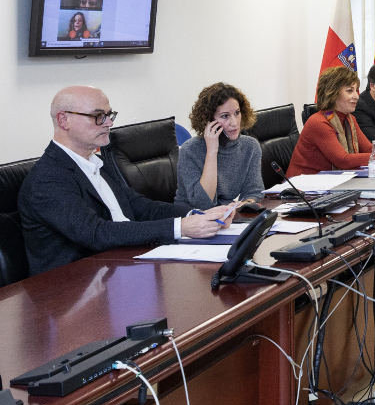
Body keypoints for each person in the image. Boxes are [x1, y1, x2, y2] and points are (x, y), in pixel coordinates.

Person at [18, 86, 233, 276]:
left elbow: (138, 206)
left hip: (122, 267)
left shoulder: (96, 161)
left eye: (109, 115)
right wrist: (180, 227)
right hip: (74, 290)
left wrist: (194, 215)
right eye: (98, 116)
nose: (109, 123)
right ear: (64, 120)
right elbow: (96, 233)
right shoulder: (47, 179)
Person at [287, 67, 375, 177]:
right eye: (349, 91)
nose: (356, 96)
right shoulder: (319, 122)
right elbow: (343, 160)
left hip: (330, 183)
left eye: (356, 90)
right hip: (301, 190)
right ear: (333, 93)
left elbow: (369, 149)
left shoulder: (349, 119)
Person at [175, 82, 264, 209]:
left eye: (237, 113)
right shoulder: (190, 150)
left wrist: (245, 204)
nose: (234, 122)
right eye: (225, 116)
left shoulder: (250, 146)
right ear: (208, 120)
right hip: (192, 219)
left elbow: (254, 191)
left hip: (226, 218)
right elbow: (202, 203)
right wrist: (212, 151)